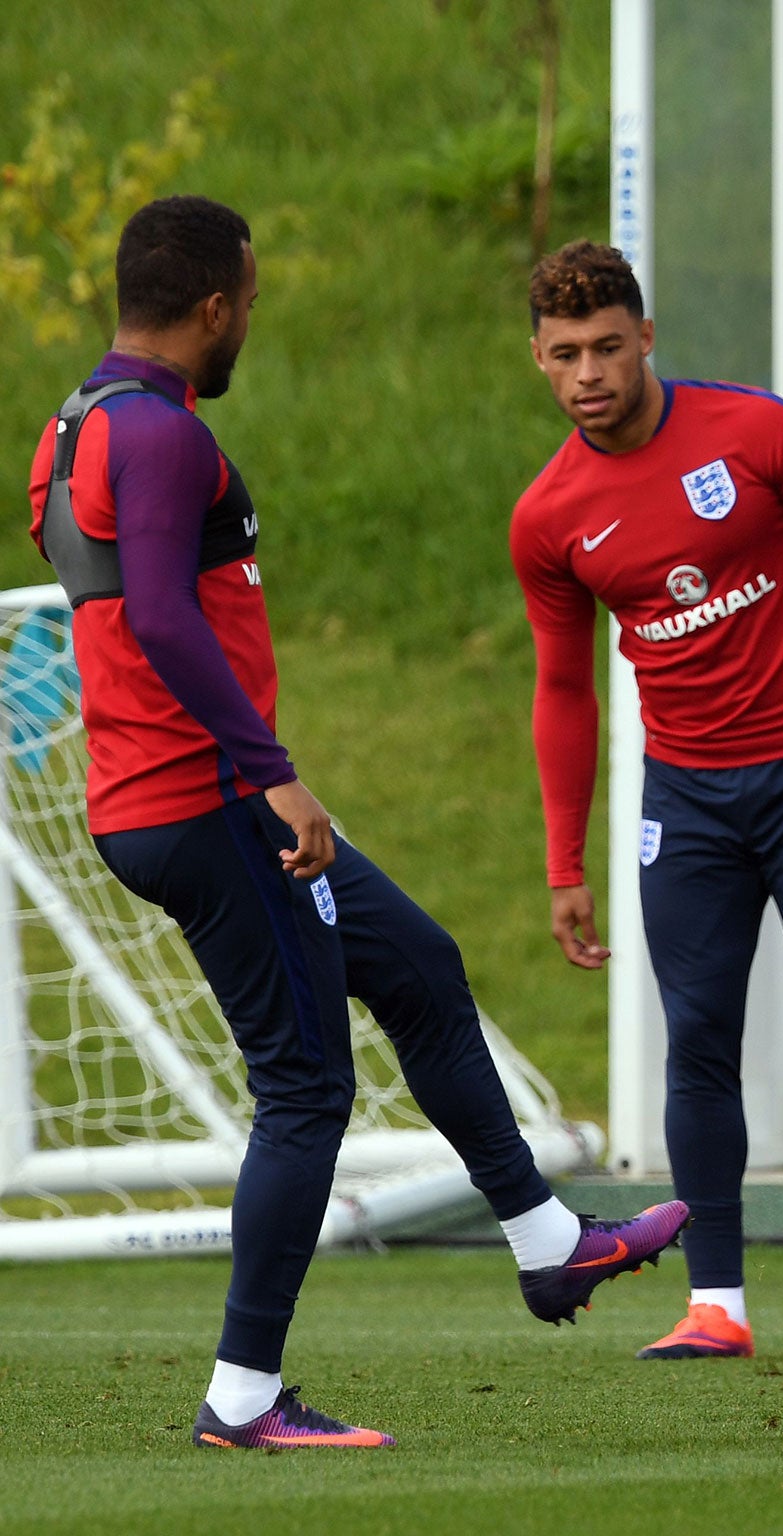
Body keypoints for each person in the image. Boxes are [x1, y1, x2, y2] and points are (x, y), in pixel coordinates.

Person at [26, 197, 687, 1453]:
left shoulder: (71, 431)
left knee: (419, 968)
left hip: (156, 794)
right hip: (204, 798)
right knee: (305, 1090)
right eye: (253, 303)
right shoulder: (160, 436)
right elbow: (160, 620)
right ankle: (241, 1398)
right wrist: (275, 773)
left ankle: (549, 1244)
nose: (252, 325)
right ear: (216, 302)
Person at [511, 241, 783, 1360]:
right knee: (697, 1038)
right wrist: (562, 863)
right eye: (563, 355)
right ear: (539, 363)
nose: (587, 371)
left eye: (604, 346)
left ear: (645, 337)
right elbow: (563, 690)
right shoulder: (548, 516)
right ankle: (716, 1307)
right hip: (684, 801)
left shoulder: (755, 433)